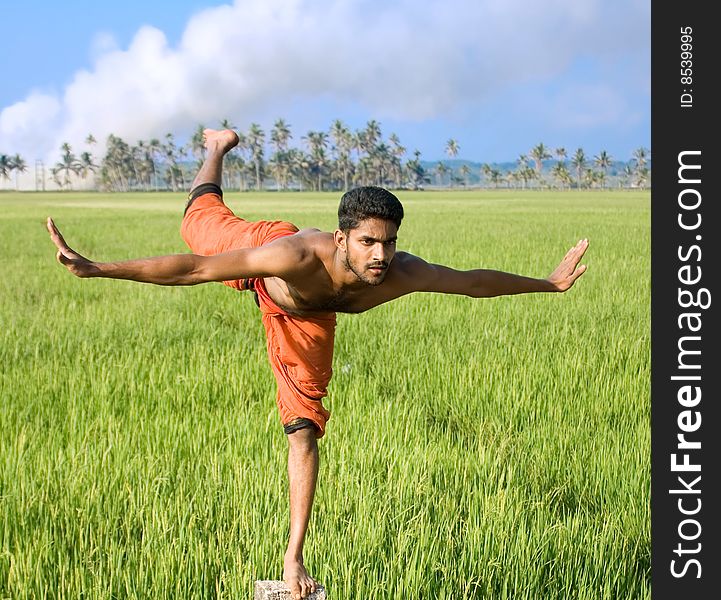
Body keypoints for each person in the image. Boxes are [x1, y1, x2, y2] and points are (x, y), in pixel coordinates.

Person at [47, 128, 589, 600]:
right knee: (200, 222)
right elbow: (194, 268)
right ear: (342, 238)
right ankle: (216, 147)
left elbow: (472, 283)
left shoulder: (401, 271)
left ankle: (293, 554)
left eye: (389, 243)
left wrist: (548, 283)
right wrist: (98, 269)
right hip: (263, 263)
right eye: (369, 242)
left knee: (304, 433)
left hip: (306, 322)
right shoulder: (295, 254)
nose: (380, 255)